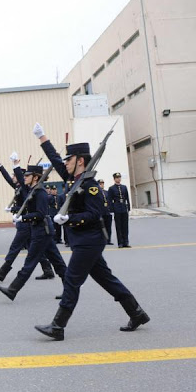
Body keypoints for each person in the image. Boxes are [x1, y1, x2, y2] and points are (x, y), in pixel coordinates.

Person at [32, 123, 149, 340]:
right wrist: (42, 138)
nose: (65, 162)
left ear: (80, 161)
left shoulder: (91, 185)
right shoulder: (73, 180)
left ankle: (58, 326)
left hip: (90, 240)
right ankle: (137, 312)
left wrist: (69, 218)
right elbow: (57, 159)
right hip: (83, 240)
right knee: (107, 280)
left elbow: (96, 214)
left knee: (72, 281)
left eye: (70, 159)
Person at [0, 164, 67, 301]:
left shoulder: (40, 192)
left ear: (35, 177)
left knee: (30, 262)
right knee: (58, 263)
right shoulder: (32, 190)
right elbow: (21, 186)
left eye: (27, 175)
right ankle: (70, 290)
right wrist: (15, 164)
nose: (24, 178)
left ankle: (13, 289)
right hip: (41, 230)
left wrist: (23, 217)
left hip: (41, 230)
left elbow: (40, 214)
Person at [0, 154, 55, 282]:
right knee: (33, 248)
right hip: (25, 221)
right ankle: (48, 270)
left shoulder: (26, 189)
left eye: (20, 176)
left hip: (26, 221)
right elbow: (8, 178)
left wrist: (16, 165)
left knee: (16, 247)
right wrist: (0, 166)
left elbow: (26, 205)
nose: (14, 177)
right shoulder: (20, 187)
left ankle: (3, 271)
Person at [108, 173, 131, 248]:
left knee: (125, 226)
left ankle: (126, 242)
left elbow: (127, 197)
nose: (118, 179)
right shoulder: (111, 188)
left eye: (119, 177)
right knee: (118, 226)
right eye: (117, 178)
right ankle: (120, 243)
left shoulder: (124, 187)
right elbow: (109, 200)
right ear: (114, 179)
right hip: (117, 207)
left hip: (124, 207)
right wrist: (112, 209)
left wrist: (128, 207)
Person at [98, 179, 114, 245]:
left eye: (102, 184)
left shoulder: (107, 192)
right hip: (101, 212)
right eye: (100, 184)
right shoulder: (97, 193)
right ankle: (101, 240)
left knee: (108, 227)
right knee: (101, 227)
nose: (102, 185)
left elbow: (110, 201)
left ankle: (108, 240)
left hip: (107, 212)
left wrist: (111, 210)